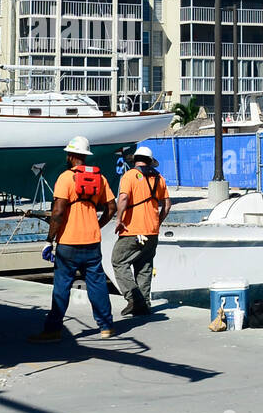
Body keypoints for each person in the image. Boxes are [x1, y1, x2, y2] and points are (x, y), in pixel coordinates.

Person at [28, 136, 118, 342]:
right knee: (97, 284)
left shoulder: (65, 178)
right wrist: (98, 225)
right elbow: (111, 208)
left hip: (68, 242)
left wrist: (49, 239)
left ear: (70, 156)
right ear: (85, 156)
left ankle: (52, 330)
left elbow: (58, 212)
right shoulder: (100, 179)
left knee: (62, 287)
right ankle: (106, 327)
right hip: (92, 241)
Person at [111, 146, 170, 316]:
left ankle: (133, 297)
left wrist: (119, 219)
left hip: (132, 230)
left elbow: (123, 198)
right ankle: (144, 304)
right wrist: (157, 222)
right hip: (151, 231)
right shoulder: (159, 178)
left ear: (135, 159)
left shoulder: (129, 176)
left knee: (119, 261)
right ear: (150, 161)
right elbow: (167, 205)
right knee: (144, 266)